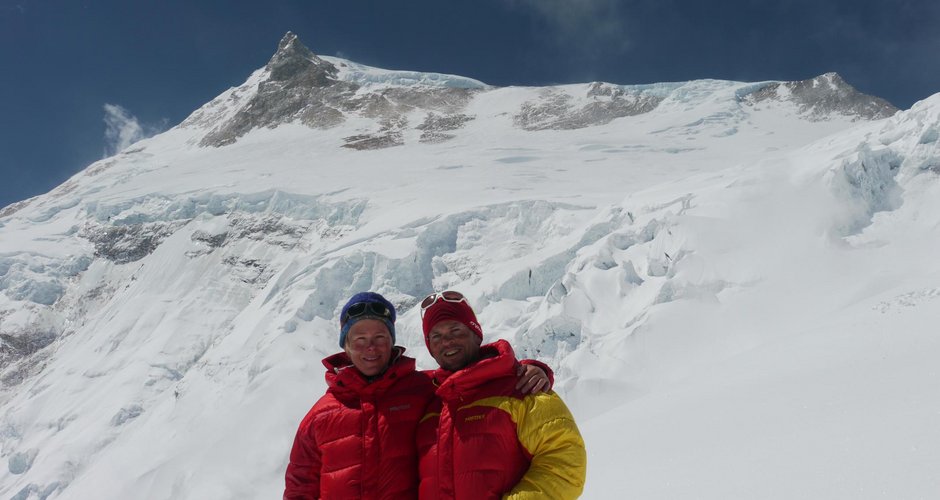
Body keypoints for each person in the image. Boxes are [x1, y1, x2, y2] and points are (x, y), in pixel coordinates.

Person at [284, 292, 552, 499]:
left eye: (380, 337)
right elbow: (300, 487)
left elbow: (472, 378)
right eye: (359, 339)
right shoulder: (320, 415)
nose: (371, 348)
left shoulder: (424, 389)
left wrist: (528, 370)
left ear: (392, 342)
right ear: (345, 346)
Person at [416, 291, 587, 499]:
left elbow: (565, 461)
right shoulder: (429, 401)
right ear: (430, 348)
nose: (447, 341)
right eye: (437, 336)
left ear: (476, 334)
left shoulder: (522, 388)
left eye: (456, 330)